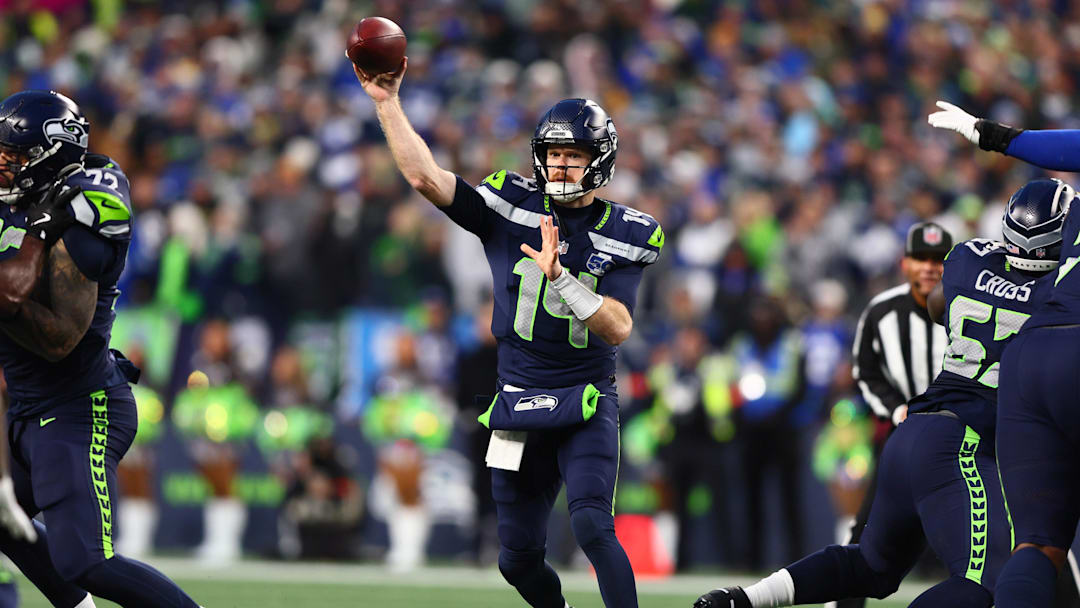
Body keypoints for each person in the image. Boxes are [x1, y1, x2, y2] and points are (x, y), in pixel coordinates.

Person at [356, 58, 662, 608]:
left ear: (600, 161)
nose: (561, 165)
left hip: (586, 399)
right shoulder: (511, 203)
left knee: (593, 527)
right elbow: (427, 177)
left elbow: (617, 327)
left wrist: (563, 279)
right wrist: (387, 103)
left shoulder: (625, 232)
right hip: (518, 398)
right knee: (515, 558)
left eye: (574, 155)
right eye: (554, 154)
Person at [692, 178, 1064, 608]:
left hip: (914, 430)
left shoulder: (970, 257)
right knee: (993, 581)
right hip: (963, 442)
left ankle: (743, 599)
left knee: (873, 566)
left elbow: (937, 304)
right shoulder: (1060, 296)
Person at [0, 90, 201, 607]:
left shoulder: (87, 212)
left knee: (87, 559)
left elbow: (61, 339)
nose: (2, 165)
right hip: (24, 404)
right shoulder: (29, 201)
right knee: (3, 518)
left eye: (15, 157)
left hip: (78, 407)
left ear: (50, 157)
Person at [930, 101, 1080, 608]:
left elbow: (1066, 147)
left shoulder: (970, 259)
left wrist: (988, 133)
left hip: (1031, 356)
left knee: (1038, 544)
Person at [837, 221, 951, 608]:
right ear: (905, 263)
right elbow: (864, 372)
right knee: (867, 535)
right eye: (921, 258)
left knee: (978, 543)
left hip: (962, 442)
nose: (929, 268)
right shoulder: (882, 311)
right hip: (903, 438)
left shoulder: (971, 308)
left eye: (938, 260)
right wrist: (896, 408)